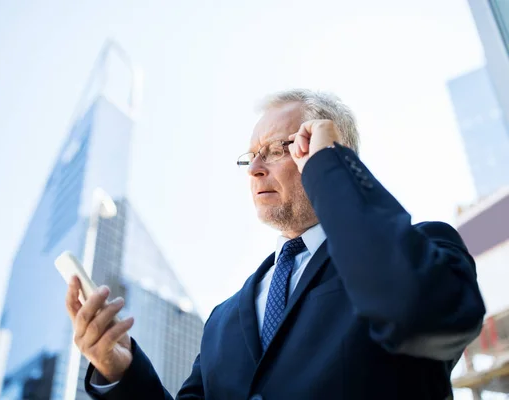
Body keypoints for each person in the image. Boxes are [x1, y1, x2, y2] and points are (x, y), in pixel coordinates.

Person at [65, 89, 485, 400]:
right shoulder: (222, 320)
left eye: (276, 149)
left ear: (330, 152)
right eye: (251, 156)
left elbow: (421, 315)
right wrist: (119, 369)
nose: (255, 169)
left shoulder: (423, 247)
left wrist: (331, 168)